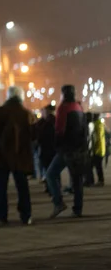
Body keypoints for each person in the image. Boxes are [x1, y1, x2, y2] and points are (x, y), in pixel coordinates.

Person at [0, 86, 35, 225]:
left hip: (1, 156)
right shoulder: (27, 114)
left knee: (1, 187)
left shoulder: (0, 111)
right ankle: (26, 216)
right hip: (20, 157)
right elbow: (33, 134)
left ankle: (1, 217)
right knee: (23, 186)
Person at [46, 85, 87, 218]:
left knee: (51, 174)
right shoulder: (79, 107)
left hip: (66, 150)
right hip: (79, 149)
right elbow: (84, 129)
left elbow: (59, 130)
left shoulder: (63, 108)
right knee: (77, 179)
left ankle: (58, 202)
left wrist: (57, 146)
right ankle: (78, 209)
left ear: (63, 94)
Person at [36, 105, 56, 194]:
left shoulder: (46, 122)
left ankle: (51, 188)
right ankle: (51, 187)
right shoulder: (53, 120)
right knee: (51, 170)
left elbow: (40, 135)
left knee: (48, 169)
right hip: (52, 149)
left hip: (47, 149)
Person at [88, 113, 105, 187]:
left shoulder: (95, 125)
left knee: (93, 165)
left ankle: (98, 181)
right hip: (101, 149)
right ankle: (100, 180)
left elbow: (95, 138)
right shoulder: (99, 124)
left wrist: (92, 147)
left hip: (97, 149)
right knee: (98, 166)